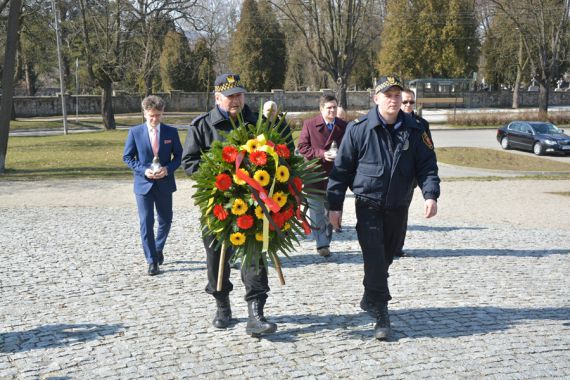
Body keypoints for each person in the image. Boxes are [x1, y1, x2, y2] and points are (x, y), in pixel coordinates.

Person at [327, 76, 440, 340]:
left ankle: (369, 296)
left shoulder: (416, 129)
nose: (393, 99)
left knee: (387, 256)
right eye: (387, 94)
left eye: (397, 95)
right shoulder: (359, 129)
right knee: (375, 257)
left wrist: (430, 195)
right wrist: (334, 206)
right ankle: (381, 312)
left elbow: (427, 166)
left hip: (399, 205)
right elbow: (341, 170)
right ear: (375, 98)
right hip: (368, 204)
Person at [182, 73, 290, 337]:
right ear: (217, 97)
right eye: (230, 96)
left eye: (239, 95)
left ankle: (256, 313)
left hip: (254, 205)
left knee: (254, 255)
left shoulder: (258, 122)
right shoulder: (202, 126)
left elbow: (279, 151)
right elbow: (190, 163)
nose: (236, 100)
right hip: (218, 205)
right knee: (216, 257)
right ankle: (222, 305)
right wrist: (219, 176)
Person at [123, 95, 183, 276]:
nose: (154, 119)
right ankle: (152, 261)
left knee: (165, 220)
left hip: (164, 183)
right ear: (144, 113)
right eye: (151, 116)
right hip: (144, 184)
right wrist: (143, 170)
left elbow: (179, 157)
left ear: (162, 113)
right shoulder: (135, 132)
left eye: (158, 115)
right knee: (146, 221)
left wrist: (168, 169)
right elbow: (127, 157)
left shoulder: (171, 132)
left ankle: (158, 248)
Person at [297, 94, 347, 257]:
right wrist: (321, 154)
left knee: (331, 211)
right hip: (315, 175)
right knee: (317, 212)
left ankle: (327, 239)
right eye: (329, 108)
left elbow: (350, 147)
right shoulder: (310, 124)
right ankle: (322, 244)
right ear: (321, 109)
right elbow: (302, 147)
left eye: (334, 107)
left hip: (335, 176)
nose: (332, 110)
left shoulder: (343, 126)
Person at [395, 88, 433, 258]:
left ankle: (397, 246)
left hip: (408, 178)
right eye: (405, 102)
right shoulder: (392, 121)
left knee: (402, 212)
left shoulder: (421, 124)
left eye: (411, 102)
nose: (409, 105)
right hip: (390, 175)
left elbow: (428, 151)